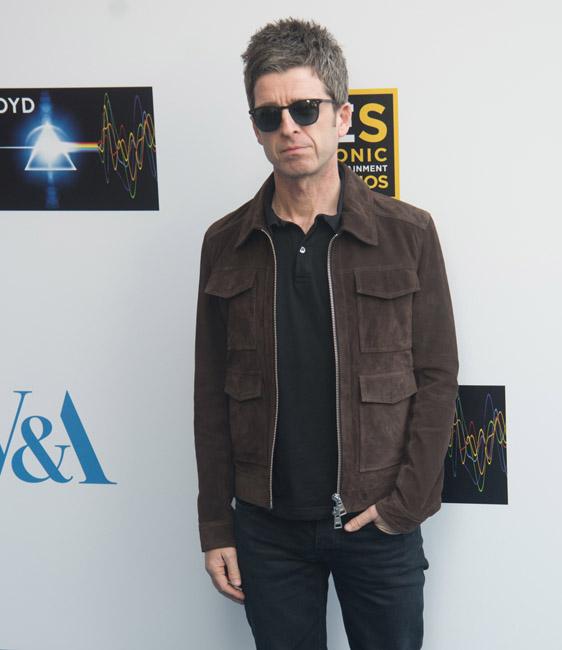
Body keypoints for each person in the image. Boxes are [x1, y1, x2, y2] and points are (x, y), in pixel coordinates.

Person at [193, 18, 459, 650]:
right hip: (266, 529)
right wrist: (216, 527)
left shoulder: (408, 234)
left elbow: (437, 377)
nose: (289, 128)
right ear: (256, 129)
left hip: (377, 521)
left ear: (342, 117)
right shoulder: (225, 244)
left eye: (306, 109)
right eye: (270, 116)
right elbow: (210, 396)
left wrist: (404, 506)